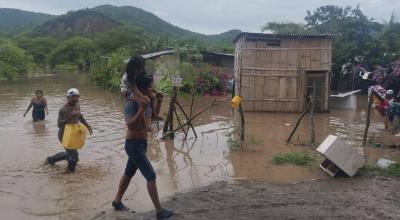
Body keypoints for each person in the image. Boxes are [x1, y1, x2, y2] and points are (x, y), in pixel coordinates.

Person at [112, 74, 173, 219]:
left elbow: (154, 117)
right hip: (133, 145)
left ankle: (117, 201)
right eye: (150, 86)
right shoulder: (131, 103)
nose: (153, 88)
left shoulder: (146, 102)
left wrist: (159, 101)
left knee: (129, 173)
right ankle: (159, 210)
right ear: (144, 88)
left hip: (141, 143)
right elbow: (131, 125)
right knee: (150, 175)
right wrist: (140, 108)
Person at [46, 88, 93, 173]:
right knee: (74, 157)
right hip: (64, 134)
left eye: (77, 97)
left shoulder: (77, 105)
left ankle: (51, 159)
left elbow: (80, 116)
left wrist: (87, 126)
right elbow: (59, 124)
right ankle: (69, 175)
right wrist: (69, 117)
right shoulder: (63, 109)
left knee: (72, 155)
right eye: (73, 97)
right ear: (68, 98)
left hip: (73, 133)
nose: (75, 99)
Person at [120, 55, 164, 121]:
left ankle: (154, 115)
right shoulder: (128, 77)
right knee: (139, 99)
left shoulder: (141, 71)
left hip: (139, 88)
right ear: (133, 68)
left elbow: (149, 85)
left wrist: (155, 92)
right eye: (139, 69)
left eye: (142, 68)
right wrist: (142, 97)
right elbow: (134, 88)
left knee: (150, 99)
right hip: (127, 89)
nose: (141, 70)